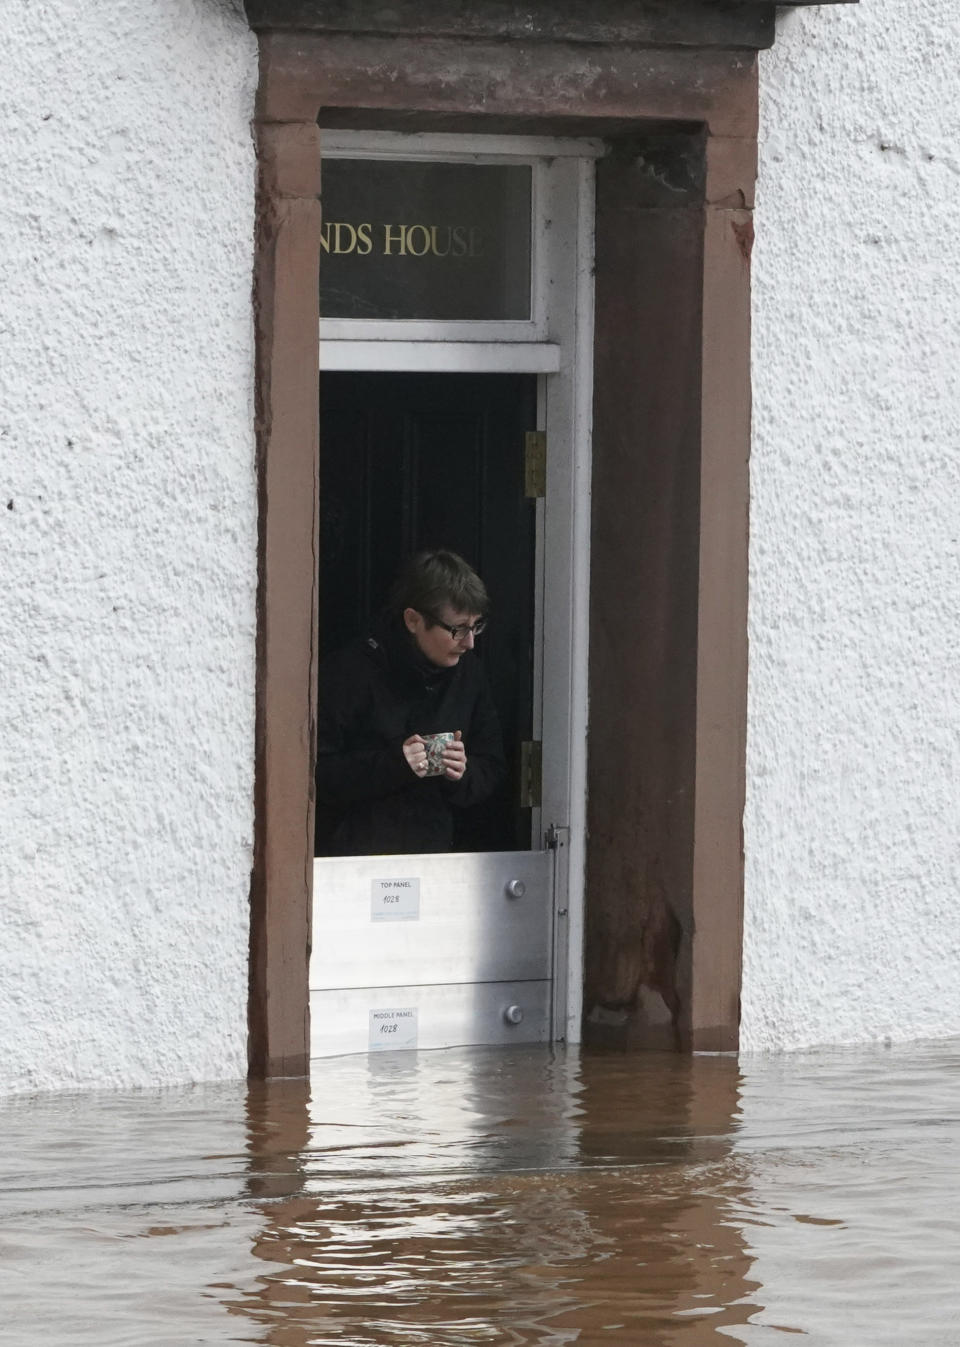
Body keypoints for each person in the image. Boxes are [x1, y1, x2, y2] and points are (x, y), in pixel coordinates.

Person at [315, 549, 506, 855]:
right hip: (355, 861)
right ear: (413, 620)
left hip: (438, 859)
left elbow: (492, 768)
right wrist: (394, 764)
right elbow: (316, 776)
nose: (469, 642)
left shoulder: (469, 675)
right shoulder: (350, 673)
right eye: (458, 629)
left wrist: (462, 772)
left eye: (477, 626)